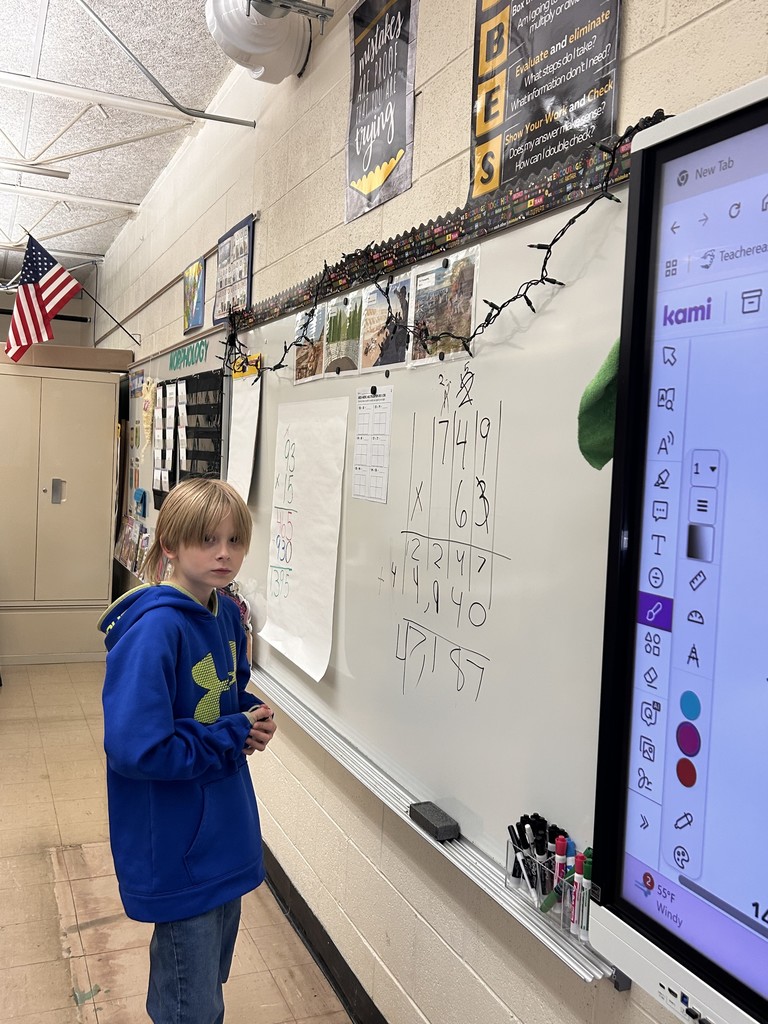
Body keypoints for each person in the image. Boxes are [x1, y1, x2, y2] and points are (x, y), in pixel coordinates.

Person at [98, 477, 276, 1024]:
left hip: (223, 830)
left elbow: (222, 692)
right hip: (178, 843)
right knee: (188, 1004)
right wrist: (229, 733)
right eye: (206, 540)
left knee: (209, 985)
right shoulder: (155, 631)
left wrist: (252, 717)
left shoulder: (225, 613)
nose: (224, 554)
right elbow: (139, 749)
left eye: (234, 541)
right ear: (170, 546)